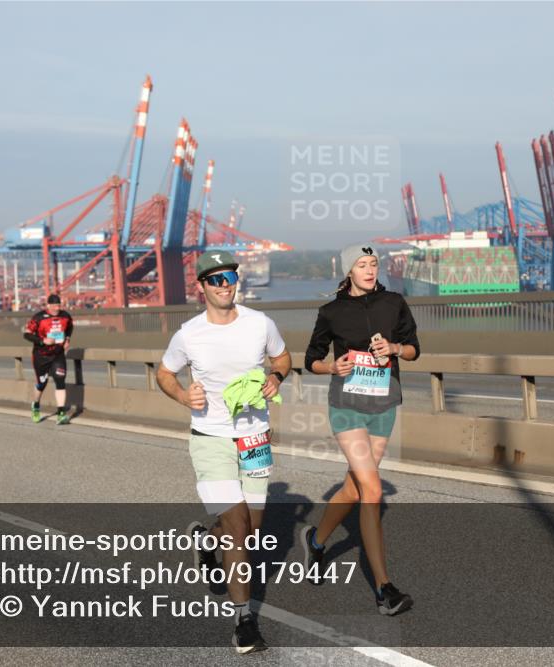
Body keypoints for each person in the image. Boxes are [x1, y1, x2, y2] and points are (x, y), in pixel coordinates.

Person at [156, 250, 291, 654]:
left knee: (251, 531)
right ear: (201, 288)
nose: (224, 285)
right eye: (215, 280)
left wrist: (277, 376)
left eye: (229, 277)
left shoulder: (259, 323)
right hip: (210, 437)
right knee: (237, 529)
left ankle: (205, 540)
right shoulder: (188, 334)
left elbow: (282, 356)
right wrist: (183, 394)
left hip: (255, 438)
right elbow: (164, 373)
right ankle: (244, 622)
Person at [301, 244, 420, 616]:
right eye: (362, 264)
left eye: (373, 264)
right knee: (371, 488)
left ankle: (317, 542)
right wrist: (331, 368)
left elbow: (415, 349)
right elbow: (311, 360)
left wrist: (396, 348)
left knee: (354, 486)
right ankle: (385, 589)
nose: (369, 270)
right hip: (347, 406)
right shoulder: (331, 311)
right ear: (348, 270)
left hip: (384, 405)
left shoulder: (394, 302)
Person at [23, 293, 74, 425]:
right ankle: (35, 405)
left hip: (58, 354)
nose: (57, 309)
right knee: (42, 384)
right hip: (41, 356)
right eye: (54, 306)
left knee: (60, 380)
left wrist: (67, 339)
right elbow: (27, 334)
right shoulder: (39, 318)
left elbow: (69, 327)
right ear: (48, 305)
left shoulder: (65, 316)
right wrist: (42, 341)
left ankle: (61, 414)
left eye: (59, 305)